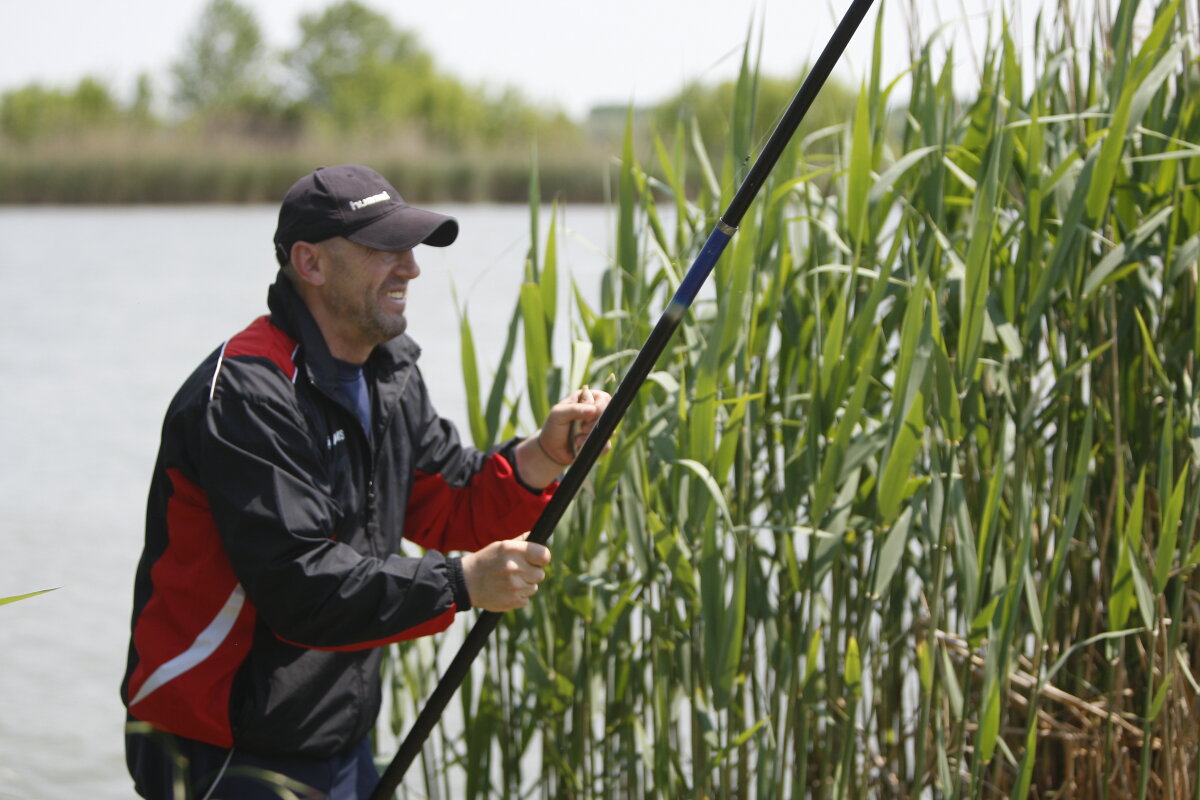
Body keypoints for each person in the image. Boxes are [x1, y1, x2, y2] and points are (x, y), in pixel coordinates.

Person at [120, 164, 610, 799]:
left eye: (411, 248)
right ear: (311, 263)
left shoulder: (386, 371)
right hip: (222, 745)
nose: (411, 268)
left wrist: (543, 455)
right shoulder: (246, 395)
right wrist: (460, 582)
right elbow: (300, 588)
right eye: (385, 249)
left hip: (337, 734)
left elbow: (447, 502)